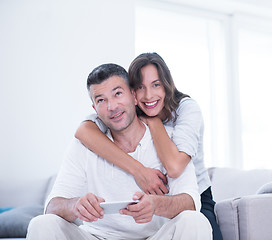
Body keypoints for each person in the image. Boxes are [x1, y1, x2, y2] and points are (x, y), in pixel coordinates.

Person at [26, 63, 212, 240]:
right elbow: (52, 206)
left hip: (154, 236)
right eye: (101, 100)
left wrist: (156, 205)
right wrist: (75, 205)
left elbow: (190, 203)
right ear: (94, 109)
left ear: (133, 95)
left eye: (117, 94)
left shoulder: (167, 138)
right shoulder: (84, 142)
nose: (112, 106)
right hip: (96, 236)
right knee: (42, 224)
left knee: (196, 221)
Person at [75, 52, 223, 240]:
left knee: (199, 227)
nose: (149, 95)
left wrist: (154, 122)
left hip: (195, 195)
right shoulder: (129, 110)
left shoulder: (186, 108)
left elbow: (175, 167)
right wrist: (139, 171)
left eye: (156, 85)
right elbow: (84, 131)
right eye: (140, 87)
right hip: (152, 199)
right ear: (133, 93)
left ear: (166, 84)